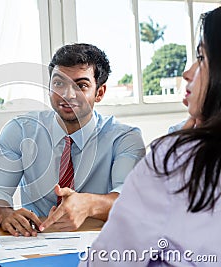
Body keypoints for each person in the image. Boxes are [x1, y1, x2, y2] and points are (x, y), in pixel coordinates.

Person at [81, 7, 221, 266]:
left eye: (201, 57)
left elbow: (107, 261)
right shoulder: (23, 131)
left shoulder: (174, 157)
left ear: (100, 92)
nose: (187, 73)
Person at [0, 43, 146, 236]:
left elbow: (132, 200)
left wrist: (89, 204)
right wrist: (4, 214)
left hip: (101, 242)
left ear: (99, 93)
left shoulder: (125, 137)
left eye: (81, 85)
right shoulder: (21, 130)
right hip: (35, 241)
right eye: (59, 83)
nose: (67, 94)